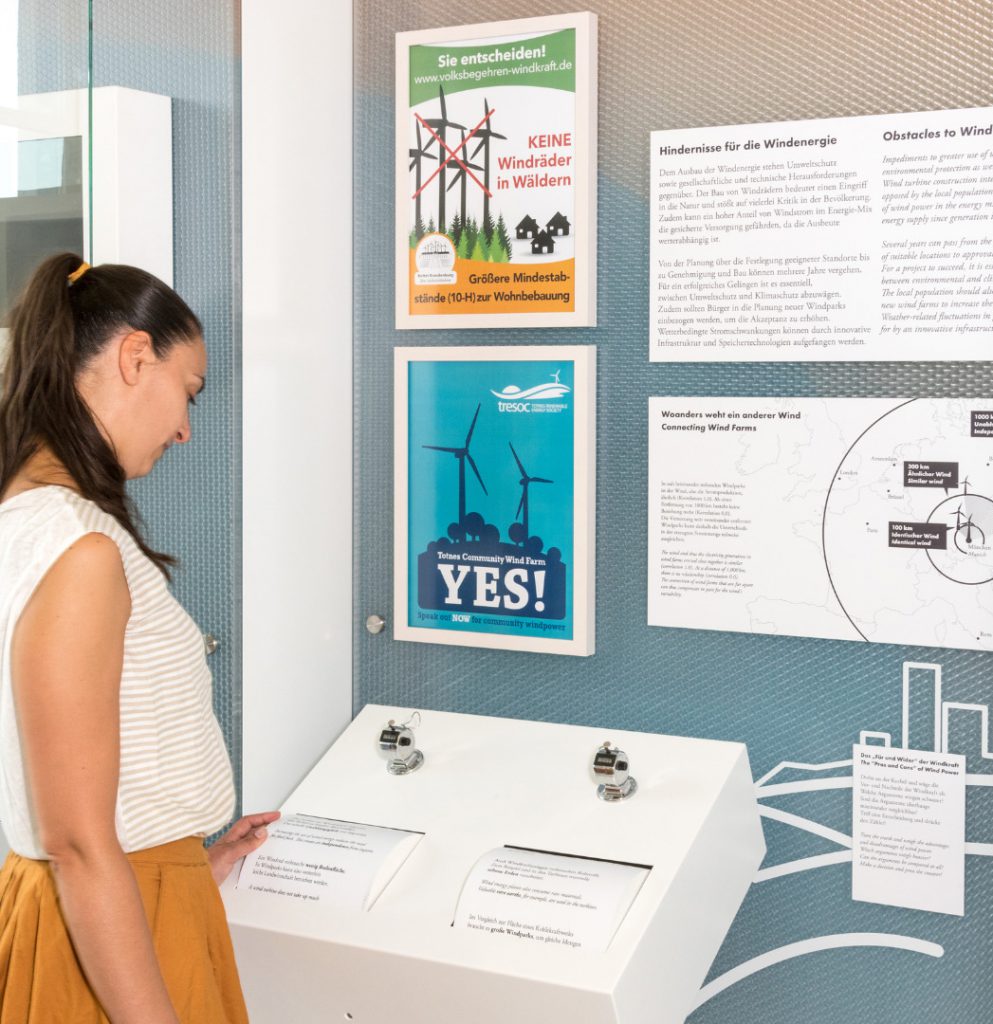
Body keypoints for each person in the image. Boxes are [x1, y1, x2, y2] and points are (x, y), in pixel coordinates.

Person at [0, 253, 279, 1023]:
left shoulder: (27, 523)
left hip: (107, 904)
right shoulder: (79, 549)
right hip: (112, 928)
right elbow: (80, 841)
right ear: (134, 355)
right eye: (187, 391)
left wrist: (186, 858)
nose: (187, 429)